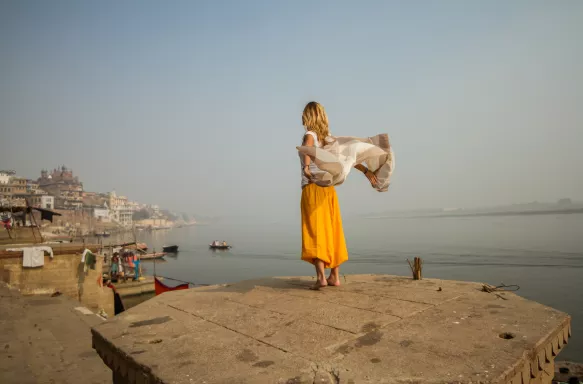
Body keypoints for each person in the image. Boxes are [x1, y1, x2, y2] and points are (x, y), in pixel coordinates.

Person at [300, 101, 378, 290]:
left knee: (315, 231)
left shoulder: (310, 135)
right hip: (329, 189)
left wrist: (307, 168)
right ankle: (335, 276)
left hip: (312, 187)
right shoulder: (328, 139)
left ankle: (321, 278)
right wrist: (365, 171)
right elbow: (345, 158)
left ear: (309, 116)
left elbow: (308, 147)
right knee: (332, 230)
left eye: (303, 114)